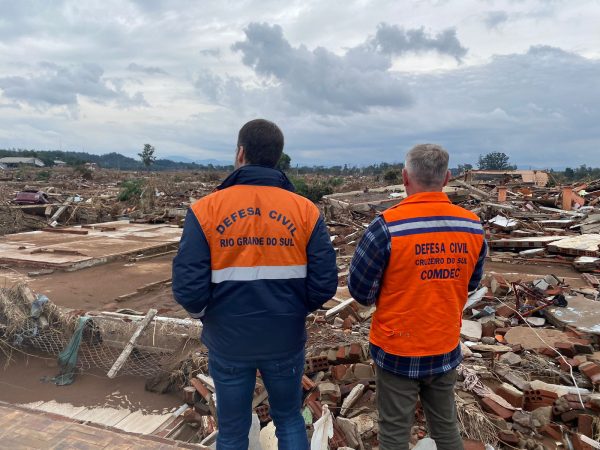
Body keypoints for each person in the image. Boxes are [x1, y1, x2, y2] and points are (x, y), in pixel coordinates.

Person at [172, 119, 338, 450]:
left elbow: (189, 288)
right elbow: (324, 285)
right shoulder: (305, 211)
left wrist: (210, 315)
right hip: (284, 338)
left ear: (240, 153)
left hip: (229, 340)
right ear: (277, 157)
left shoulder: (206, 210)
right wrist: (291, 311)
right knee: (289, 419)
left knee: (232, 431)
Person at [348, 144, 486, 450]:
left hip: (397, 347)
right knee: (446, 427)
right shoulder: (472, 226)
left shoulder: (386, 226)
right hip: (444, 344)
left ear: (404, 177)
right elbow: (471, 284)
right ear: (447, 178)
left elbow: (361, 293)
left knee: (395, 434)